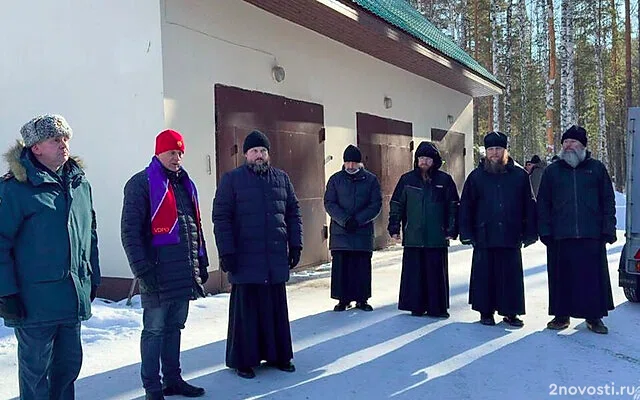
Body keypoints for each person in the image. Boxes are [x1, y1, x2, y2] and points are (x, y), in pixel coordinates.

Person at [0, 114, 100, 400]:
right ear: (36, 148)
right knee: (36, 376)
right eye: (55, 139)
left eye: (66, 138)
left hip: (71, 299)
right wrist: (6, 293)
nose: (63, 144)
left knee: (67, 369)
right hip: (34, 304)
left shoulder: (80, 185)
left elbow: (89, 233)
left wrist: (91, 276)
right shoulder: (14, 189)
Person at [121, 129, 208, 399]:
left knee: (174, 328)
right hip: (156, 273)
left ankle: (173, 379)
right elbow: (130, 232)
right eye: (172, 152)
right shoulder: (141, 184)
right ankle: (152, 388)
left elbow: (193, 226)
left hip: (182, 273)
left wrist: (200, 262)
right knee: (154, 330)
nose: (177, 157)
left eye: (180, 152)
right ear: (158, 152)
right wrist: (142, 270)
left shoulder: (184, 184)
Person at [213, 130, 303, 379]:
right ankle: (244, 360)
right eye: (254, 151)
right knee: (247, 313)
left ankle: (279, 356)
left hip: (273, 258)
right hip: (245, 259)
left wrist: (296, 245)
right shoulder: (232, 180)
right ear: (246, 155)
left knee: (275, 310)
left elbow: (293, 213)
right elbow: (221, 218)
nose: (259, 156)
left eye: (263, 151)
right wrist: (226, 252)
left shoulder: (282, 179)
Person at [537, 125, 616, 334]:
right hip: (560, 235)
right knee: (561, 278)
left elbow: (608, 200)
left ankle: (594, 318)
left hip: (591, 233)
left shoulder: (596, 169)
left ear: (583, 145)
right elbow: (543, 203)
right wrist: (544, 230)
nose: (568, 146)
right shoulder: (552, 171)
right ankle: (561, 316)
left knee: (591, 279)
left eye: (573, 142)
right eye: (565, 142)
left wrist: (609, 228)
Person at [459, 131, 537, 327]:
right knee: (485, 274)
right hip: (484, 233)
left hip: (511, 233)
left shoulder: (519, 176)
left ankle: (511, 312)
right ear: (486, 152)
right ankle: (486, 312)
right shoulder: (476, 177)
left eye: (498, 149)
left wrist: (530, 232)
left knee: (510, 274)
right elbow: (466, 205)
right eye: (491, 149)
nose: (494, 153)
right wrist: (466, 233)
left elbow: (529, 204)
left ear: (505, 151)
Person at [388, 142, 459, 318]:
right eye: (421, 158)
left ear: (434, 161)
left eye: (427, 158)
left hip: (437, 236)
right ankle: (416, 305)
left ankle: (438, 308)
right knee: (415, 274)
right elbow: (397, 205)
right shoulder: (406, 180)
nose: (424, 162)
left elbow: (453, 206)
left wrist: (452, 228)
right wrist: (394, 226)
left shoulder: (445, 180)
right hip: (414, 236)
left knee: (436, 274)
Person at [324, 145, 382, 312]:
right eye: (347, 162)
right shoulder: (335, 179)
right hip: (340, 232)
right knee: (342, 267)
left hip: (362, 231)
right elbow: (329, 203)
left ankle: (362, 299)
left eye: (353, 163)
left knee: (361, 267)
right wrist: (345, 220)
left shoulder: (371, 180)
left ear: (359, 163)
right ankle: (343, 299)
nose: (350, 166)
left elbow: (375, 204)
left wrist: (358, 220)